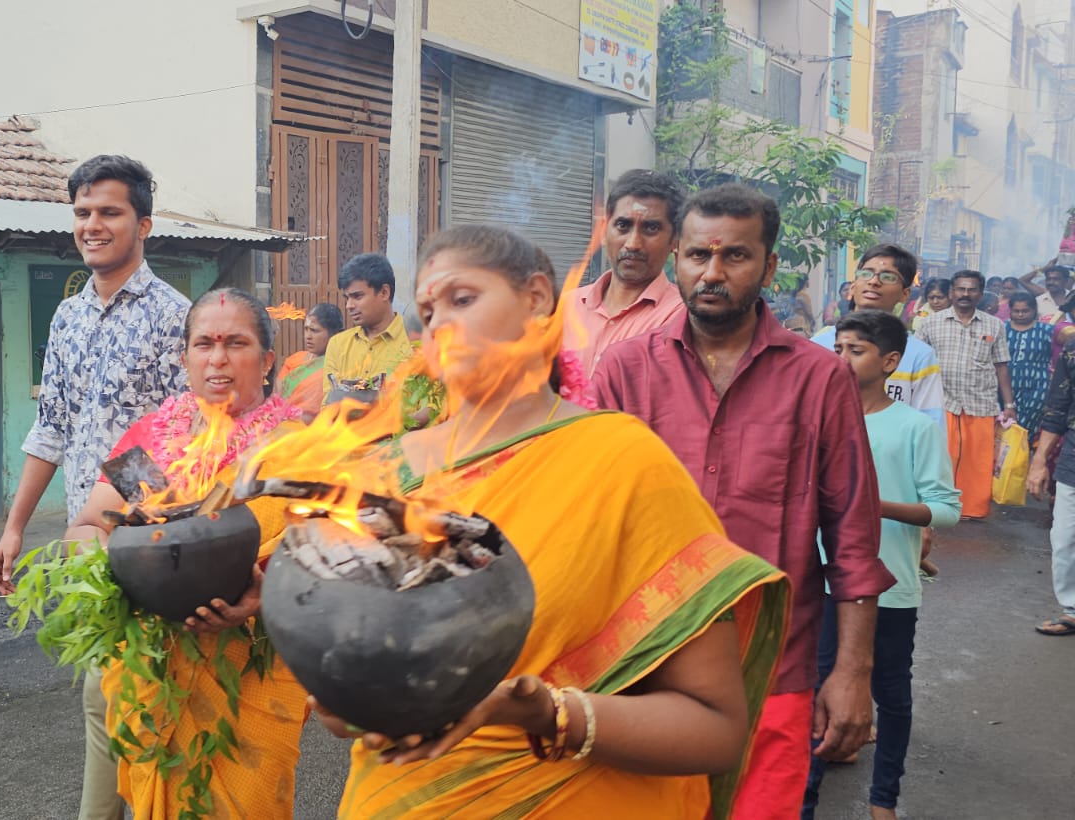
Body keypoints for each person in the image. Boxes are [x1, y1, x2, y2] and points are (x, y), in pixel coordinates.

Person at [311, 223, 789, 818]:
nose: (440, 326)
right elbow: (348, 672)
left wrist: (548, 713)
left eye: (463, 299)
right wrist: (341, 700)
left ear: (537, 298)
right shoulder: (385, 474)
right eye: (429, 312)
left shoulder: (624, 463)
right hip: (398, 797)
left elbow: (714, 728)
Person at [593, 183, 892, 820]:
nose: (713, 273)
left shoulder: (820, 379)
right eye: (698, 255)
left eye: (735, 257)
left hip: (774, 666)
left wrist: (852, 672)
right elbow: (590, 523)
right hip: (645, 662)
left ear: (769, 266)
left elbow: (854, 540)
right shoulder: (623, 369)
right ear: (677, 258)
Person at [0, 154, 190, 820]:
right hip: (84, 545)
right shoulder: (67, 318)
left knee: (150, 699)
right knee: (101, 695)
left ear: (144, 223)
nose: (92, 225)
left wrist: (111, 514)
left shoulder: (176, 318)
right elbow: (52, 428)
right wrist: (16, 526)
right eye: (82, 213)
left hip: (156, 541)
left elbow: (183, 438)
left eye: (109, 212)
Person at [66, 289, 306, 818]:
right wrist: (119, 563)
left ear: (266, 361)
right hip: (144, 666)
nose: (218, 358)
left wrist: (269, 595)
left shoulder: (296, 450)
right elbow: (89, 524)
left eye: (236, 343)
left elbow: (333, 559)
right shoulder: (157, 439)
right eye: (204, 344)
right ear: (184, 359)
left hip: (249, 674)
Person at [802, 311, 961, 820]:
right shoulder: (814, 422)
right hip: (822, 581)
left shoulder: (912, 428)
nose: (841, 359)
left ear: (890, 362)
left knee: (891, 691)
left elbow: (946, 508)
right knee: (819, 686)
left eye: (856, 350)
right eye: (837, 348)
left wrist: (875, 504)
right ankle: (804, 793)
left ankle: (883, 798)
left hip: (890, 586)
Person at [561, 169, 687, 376]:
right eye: (622, 225)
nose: (633, 244)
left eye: (651, 228)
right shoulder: (566, 307)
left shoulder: (680, 318)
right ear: (603, 230)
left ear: (675, 240)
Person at [915, 270, 1015, 521]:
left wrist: (1009, 404)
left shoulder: (995, 325)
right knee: (941, 456)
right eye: (960, 289)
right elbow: (916, 361)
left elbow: (1001, 365)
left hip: (980, 400)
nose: (965, 294)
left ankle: (972, 509)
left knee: (977, 461)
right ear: (952, 292)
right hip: (941, 401)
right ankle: (938, 505)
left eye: (971, 290)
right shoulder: (931, 322)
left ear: (980, 294)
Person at [811, 245, 942, 424]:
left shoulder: (920, 355)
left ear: (905, 294)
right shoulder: (817, 346)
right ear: (853, 285)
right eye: (866, 274)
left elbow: (932, 423)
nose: (873, 282)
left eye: (888, 277)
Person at [1025, 335, 1075, 637]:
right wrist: (1039, 460)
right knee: (1065, 536)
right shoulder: (1072, 348)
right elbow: (1057, 407)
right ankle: (1072, 608)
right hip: (1073, 455)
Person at [322, 253, 415, 397]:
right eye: (346, 298)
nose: (349, 306)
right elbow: (328, 405)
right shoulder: (338, 345)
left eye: (357, 296)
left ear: (384, 292)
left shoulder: (414, 341)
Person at [275, 302, 343, 418]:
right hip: (283, 425)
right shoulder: (294, 360)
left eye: (315, 330)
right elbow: (277, 399)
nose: (308, 336)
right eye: (306, 329)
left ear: (335, 334)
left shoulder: (341, 366)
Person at [1005, 291, 1055, 435]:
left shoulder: (1047, 330)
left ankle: (1023, 454)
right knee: (1005, 421)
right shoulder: (1002, 329)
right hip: (1006, 383)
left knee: (1028, 424)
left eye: (1025, 311)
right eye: (1016, 311)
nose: (1020, 315)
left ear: (1034, 310)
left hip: (1037, 384)